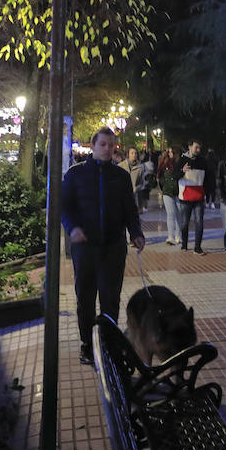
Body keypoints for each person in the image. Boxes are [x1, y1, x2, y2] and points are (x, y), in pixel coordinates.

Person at [61, 127, 147, 365]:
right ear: (93, 146)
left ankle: (108, 342)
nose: (109, 149)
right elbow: (64, 206)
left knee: (110, 298)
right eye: (104, 145)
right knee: (85, 298)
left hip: (113, 246)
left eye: (112, 145)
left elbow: (130, 210)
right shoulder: (75, 174)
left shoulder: (120, 176)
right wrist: (72, 228)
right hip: (85, 246)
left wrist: (136, 233)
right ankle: (88, 344)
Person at [175, 140, 207, 253]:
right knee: (185, 223)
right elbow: (175, 176)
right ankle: (184, 244)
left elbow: (208, 178)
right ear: (189, 147)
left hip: (199, 196)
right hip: (185, 197)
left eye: (199, 148)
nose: (198, 150)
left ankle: (197, 247)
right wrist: (182, 171)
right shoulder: (182, 160)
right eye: (196, 147)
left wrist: (208, 193)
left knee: (199, 222)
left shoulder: (203, 161)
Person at [157, 147, 180, 245]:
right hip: (167, 192)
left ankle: (179, 236)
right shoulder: (164, 163)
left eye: (172, 151)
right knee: (171, 214)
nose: (170, 153)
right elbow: (160, 176)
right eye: (169, 151)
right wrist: (164, 185)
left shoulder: (180, 163)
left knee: (179, 214)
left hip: (179, 192)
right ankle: (170, 236)